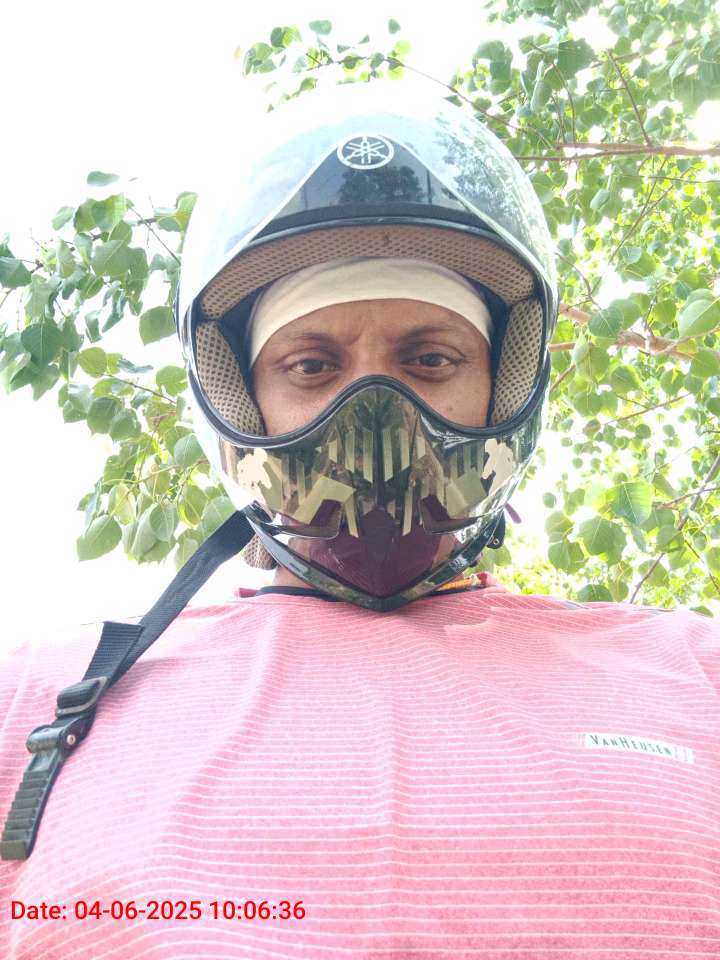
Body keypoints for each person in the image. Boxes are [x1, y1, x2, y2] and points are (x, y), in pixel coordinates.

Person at [1, 80, 718, 960]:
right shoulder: (40, 698)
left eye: (430, 358)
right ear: (241, 400)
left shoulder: (696, 674)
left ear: (503, 389)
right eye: (311, 365)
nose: (374, 409)